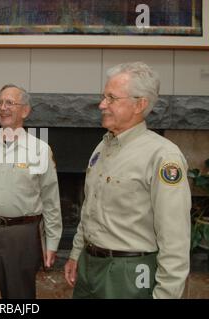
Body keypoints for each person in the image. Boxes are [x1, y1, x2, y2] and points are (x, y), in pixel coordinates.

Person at [64, 62, 191, 299]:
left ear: (139, 104)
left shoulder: (163, 156)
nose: (102, 105)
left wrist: (166, 294)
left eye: (111, 98)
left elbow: (175, 239)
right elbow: (88, 209)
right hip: (89, 267)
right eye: (104, 97)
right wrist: (76, 254)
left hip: (129, 275)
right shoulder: (103, 146)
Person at [0, 84, 63, 299]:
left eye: (9, 103)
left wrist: (51, 243)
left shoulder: (40, 150)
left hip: (22, 237)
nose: (2, 107)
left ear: (25, 111)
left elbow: (51, 201)